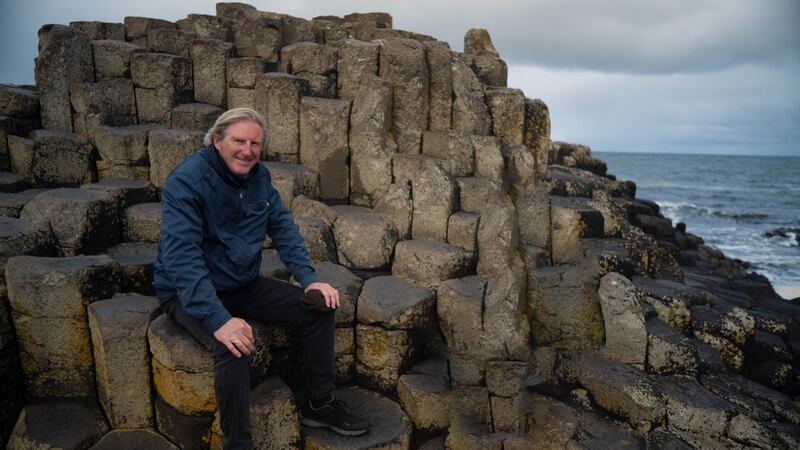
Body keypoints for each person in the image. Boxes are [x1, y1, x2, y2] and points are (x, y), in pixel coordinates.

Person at [153, 108, 368, 449]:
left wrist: (309, 279)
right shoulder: (187, 181)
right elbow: (182, 260)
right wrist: (218, 319)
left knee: (319, 307)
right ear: (217, 140)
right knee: (234, 346)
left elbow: (282, 227)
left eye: (255, 144)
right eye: (239, 141)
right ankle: (237, 444)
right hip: (186, 291)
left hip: (242, 284)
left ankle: (320, 405)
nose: (247, 150)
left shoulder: (259, 177)